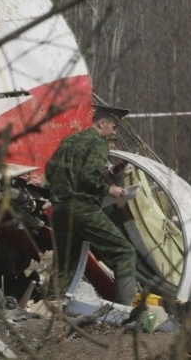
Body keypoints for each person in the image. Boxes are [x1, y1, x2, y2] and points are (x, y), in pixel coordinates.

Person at [45, 104, 137, 305]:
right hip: (83, 208)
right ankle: (127, 310)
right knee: (124, 252)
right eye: (113, 127)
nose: (114, 132)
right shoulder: (97, 143)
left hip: (60, 210)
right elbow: (88, 176)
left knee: (66, 263)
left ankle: (53, 307)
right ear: (101, 123)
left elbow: (49, 171)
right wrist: (110, 189)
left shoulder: (69, 140)